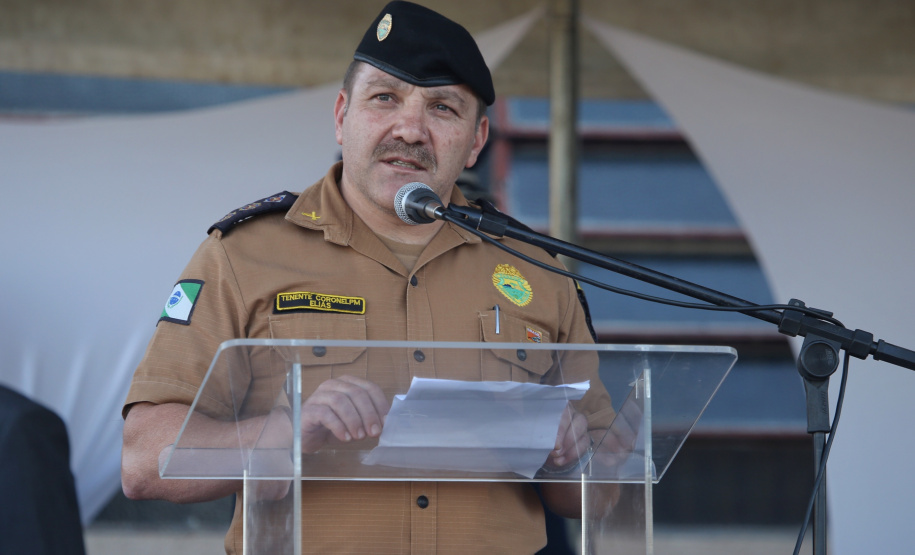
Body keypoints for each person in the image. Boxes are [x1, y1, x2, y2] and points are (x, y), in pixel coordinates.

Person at [121, 2, 614, 553]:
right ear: (341, 115)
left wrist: (570, 458)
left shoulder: (537, 270)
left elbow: (605, 487)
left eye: (442, 108)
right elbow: (144, 460)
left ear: (476, 141)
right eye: (384, 98)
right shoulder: (243, 255)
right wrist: (286, 434)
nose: (410, 129)